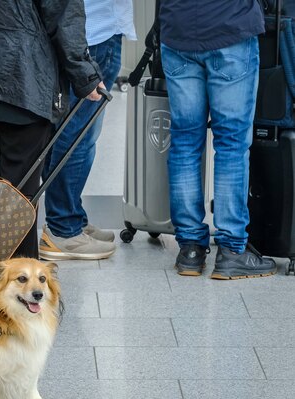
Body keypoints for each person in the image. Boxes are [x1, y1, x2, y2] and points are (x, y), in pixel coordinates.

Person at [0, 0, 103, 259]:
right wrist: (85, 74)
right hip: (24, 79)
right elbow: (61, 13)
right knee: (20, 197)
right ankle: (21, 286)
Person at [159, 0, 277, 279]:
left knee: (185, 143)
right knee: (232, 145)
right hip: (230, 28)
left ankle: (190, 249)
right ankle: (231, 250)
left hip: (178, 29)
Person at [39, 0, 136, 261]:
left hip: (92, 31)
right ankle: (63, 230)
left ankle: (71, 217)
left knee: (74, 133)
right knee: (76, 137)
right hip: (92, 35)